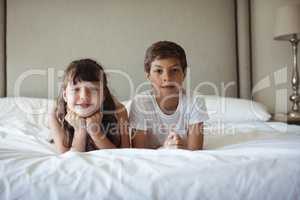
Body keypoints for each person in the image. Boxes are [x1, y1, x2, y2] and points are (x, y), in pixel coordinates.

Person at [129, 41, 208, 150]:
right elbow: (139, 151)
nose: (167, 77)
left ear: (184, 74)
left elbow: (196, 149)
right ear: (148, 76)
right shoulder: (140, 103)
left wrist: (182, 146)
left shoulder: (195, 100)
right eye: (158, 71)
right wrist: (164, 149)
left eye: (174, 70)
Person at [49, 58, 130, 153]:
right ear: (65, 96)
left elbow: (124, 154)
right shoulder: (56, 115)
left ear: (103, 95)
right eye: (76, 89)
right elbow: (67, 159)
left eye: (93, 89)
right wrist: (80, 131)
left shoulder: (119, 111)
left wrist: (96, 133)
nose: (84, 96)